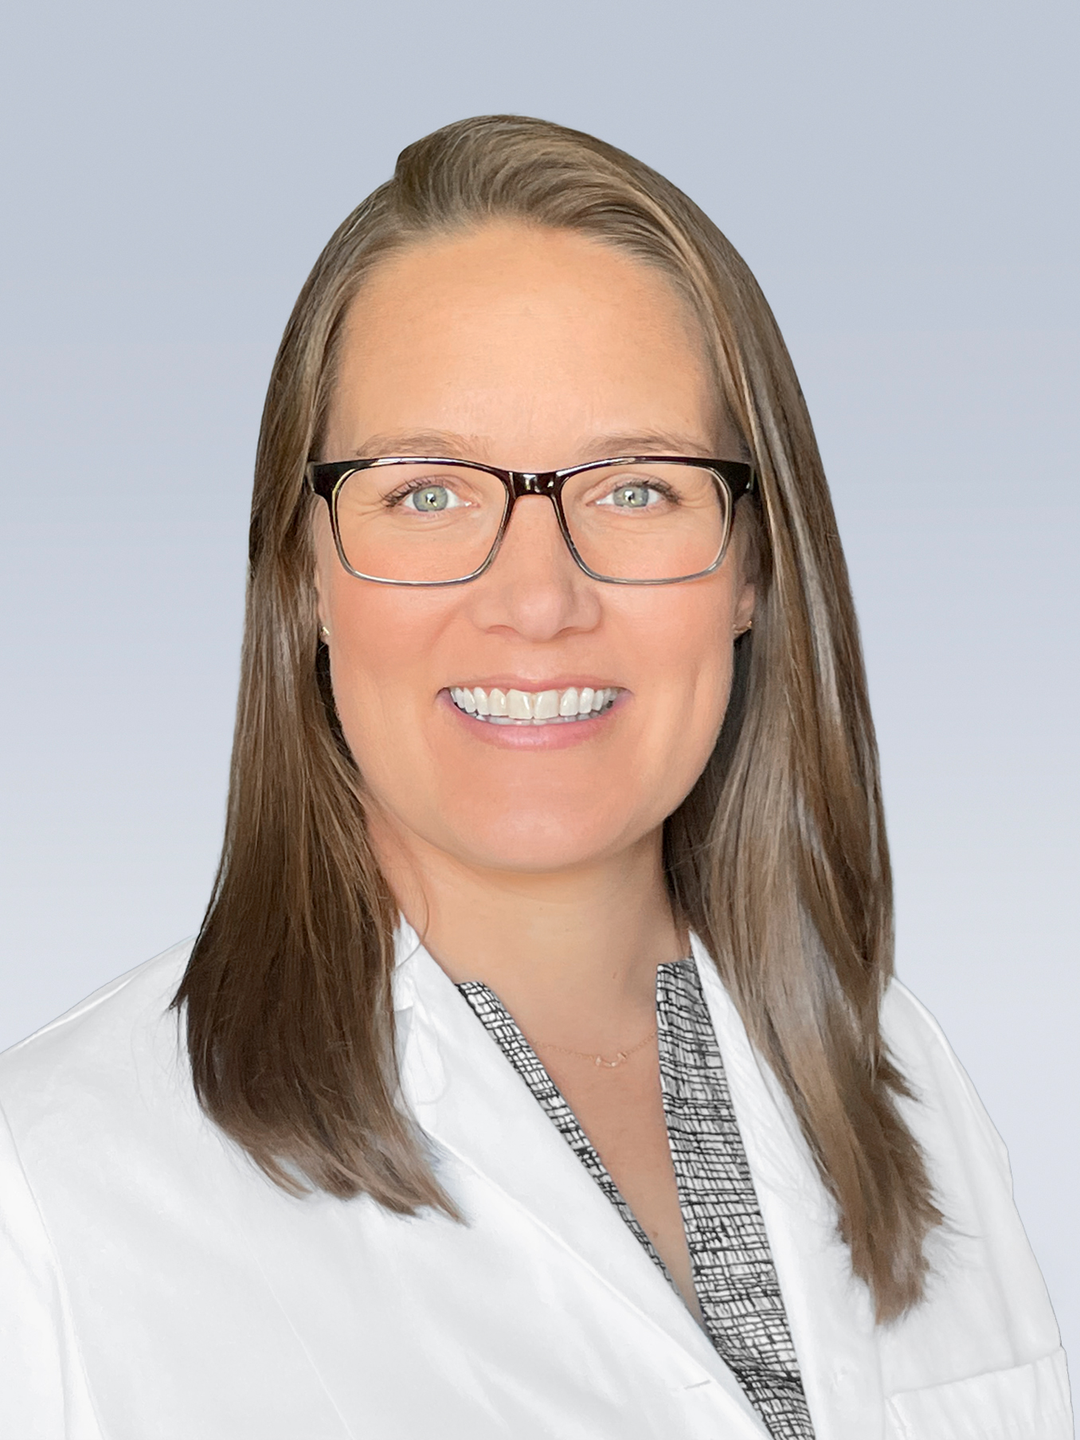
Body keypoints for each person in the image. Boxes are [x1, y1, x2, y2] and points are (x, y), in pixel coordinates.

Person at [0, 115, 1070, 1440]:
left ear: (752, 567)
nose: (538, 599)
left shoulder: (897, 1076)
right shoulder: (49, 1195)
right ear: (304, 574)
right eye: (427, 493)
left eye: (637, 489)